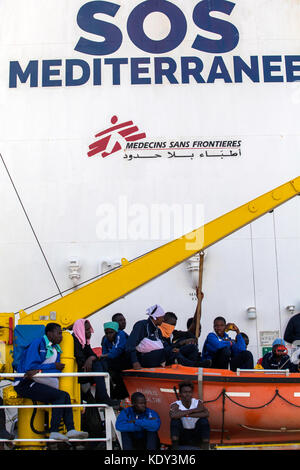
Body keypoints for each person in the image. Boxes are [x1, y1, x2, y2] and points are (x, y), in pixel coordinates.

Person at [14, 322, 88, 441]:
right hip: (25, 383)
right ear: (49, 334)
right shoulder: (38, 344)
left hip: (39, 379)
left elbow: (53, 370)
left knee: (64, 396)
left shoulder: (55, 349)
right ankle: (56, 431)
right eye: (58, 333)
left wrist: (47, 369)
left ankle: (70, 429)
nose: (61, 336)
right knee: (60, 396)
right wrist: (51, 367)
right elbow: (30, 368)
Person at [72, 319, 120, 408]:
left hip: (86, 372)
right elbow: (81, 361)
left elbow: (92, 355)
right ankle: (103, 397)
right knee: (97, 365)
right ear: (80, 330)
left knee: (104, 363)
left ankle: (102, 395)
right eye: (86, 330)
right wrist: (90, 359)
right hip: (77, 375)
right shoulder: (74, 341)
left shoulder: (83, 342)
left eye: (89, 329)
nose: (90, 332)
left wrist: (90, 358)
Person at [170, 381, 210, 450]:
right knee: (174, 421)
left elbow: (206, 413)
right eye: (185, 392)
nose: (187, 394)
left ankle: (205, 447)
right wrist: (193, 410)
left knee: (204, 421)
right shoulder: (175, 404)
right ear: (180, 394)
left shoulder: (197, 402)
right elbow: (173, 415)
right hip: (182, 434)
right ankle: (175, 448)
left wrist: (184, 414)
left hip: (196, 433)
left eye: (189, 392)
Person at [125, 305, 166, 369]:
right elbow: (130, 345)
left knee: (173, 351)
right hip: (143, 359)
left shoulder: (158, 331)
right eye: (162, 317)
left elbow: (164, 344)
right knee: (165, 352)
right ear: (156, 317)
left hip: (155, 357)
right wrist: (135, 362)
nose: (163, 320)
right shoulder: (141, 325)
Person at [100, 321, 131, 399]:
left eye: (111, 332)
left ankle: (119, 397)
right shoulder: (105, 340)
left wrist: (104, 356)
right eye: (106, 333)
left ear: (116, 331)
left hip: (127, 361)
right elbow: (104, 355)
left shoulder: (121, 334)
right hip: (115, 365)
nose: (109, 335)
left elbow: (116, 351)